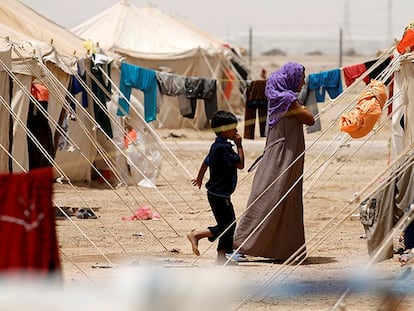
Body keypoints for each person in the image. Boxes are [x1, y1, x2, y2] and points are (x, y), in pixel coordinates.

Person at [233, 62, 315, 261]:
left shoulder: (278, 98)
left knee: (285, 199)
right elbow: (310, 119)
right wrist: (302, 107)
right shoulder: (288, 99)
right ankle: (240, 244)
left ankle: (282, 249)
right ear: (292, 78)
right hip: (283, 157)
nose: (303, 82)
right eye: (301, 77)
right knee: (272, 196)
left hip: (285, 154)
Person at [187, 110, 245, 265]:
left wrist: (199, 178)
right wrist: (239, 145)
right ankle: (197, 235)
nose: (236, 131)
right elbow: (240, 164)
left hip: (216, 193)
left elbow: (206, 162)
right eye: (234, 128)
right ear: (225, 130)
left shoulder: (216, 145)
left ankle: (221, 256)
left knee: (228, 224)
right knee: (228, 225)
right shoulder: (224, 148)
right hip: (220, 195)